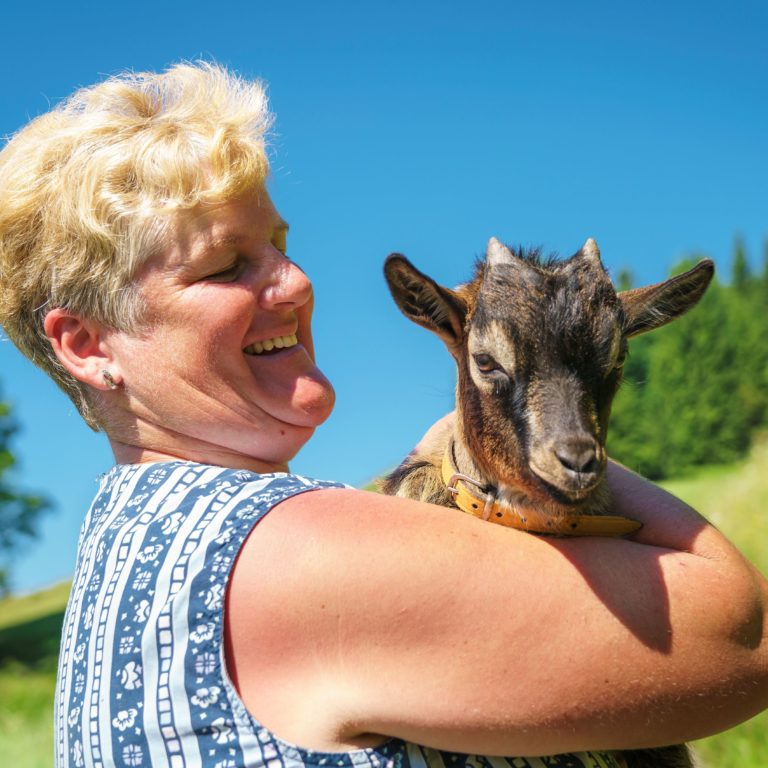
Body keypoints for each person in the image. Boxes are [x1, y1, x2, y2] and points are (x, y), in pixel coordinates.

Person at [0, 63, 766, 768]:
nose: (296, 282)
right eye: (228, 266)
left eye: (279, 245)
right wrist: (492, 438)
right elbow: (741, 640)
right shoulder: (289, 559)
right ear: (86, 343)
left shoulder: (127, 559)